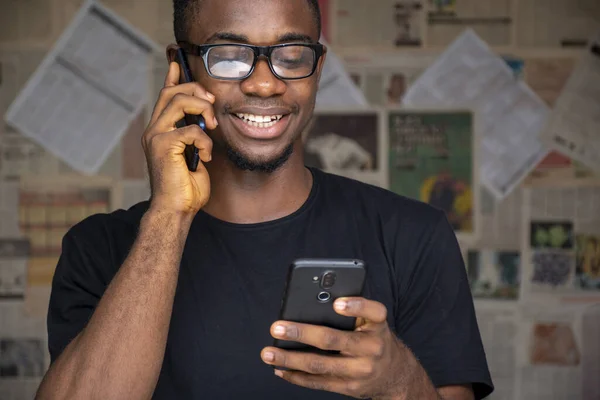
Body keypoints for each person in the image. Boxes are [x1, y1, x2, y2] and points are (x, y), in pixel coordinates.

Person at [36, 0, 494, 399]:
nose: (263, 84)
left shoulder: (414, 236)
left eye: (291, 55)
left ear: (318, 66)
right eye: (230, 56)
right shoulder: (100, 248)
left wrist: (398, 382)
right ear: (181, 66)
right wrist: (168, 217)